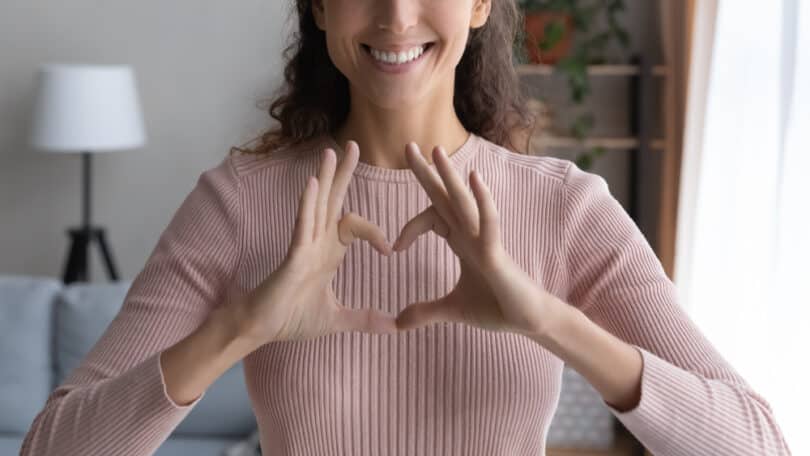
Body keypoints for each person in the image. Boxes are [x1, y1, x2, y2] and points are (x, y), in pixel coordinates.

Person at [20, 1, 792, 455]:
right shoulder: (238, 204)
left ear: (481, 3)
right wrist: (239, 327)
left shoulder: (565, 208)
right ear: (320, 6)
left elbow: (757, 442)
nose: (395, 15)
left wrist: (546, 319)